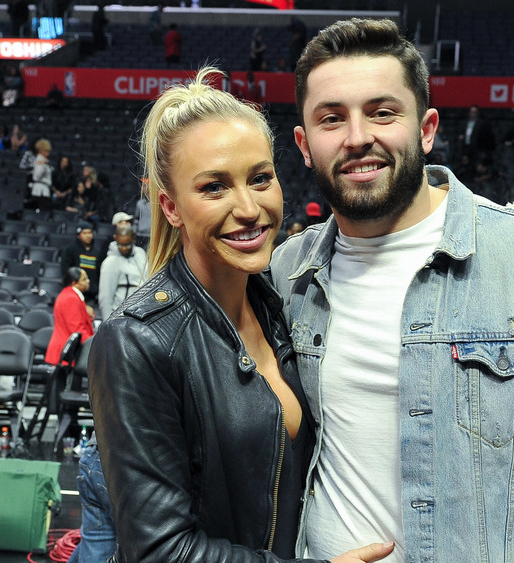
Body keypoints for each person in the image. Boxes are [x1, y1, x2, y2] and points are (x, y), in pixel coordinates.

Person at [272, 18, 514, 561]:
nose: (356, 137)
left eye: (382, 112)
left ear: (426, 128)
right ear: (304, 144)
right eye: (331, 119)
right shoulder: (287, 272)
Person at [90, 67, 388, 563]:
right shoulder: (135, 341)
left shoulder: (281, 304)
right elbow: (160, 550)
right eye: (214, 187)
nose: (248, 208)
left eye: (260, 178)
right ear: (171, 207)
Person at [45, 267, 95, 365]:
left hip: (68, 351)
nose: (88, 281)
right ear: (74, 282)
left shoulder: (70, 295)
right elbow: (76, 329)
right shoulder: (71, 299)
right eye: (84, 279)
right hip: (66, 353)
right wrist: (93, 344)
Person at [97, 225, 147, 317]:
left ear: (133, 239)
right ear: (115, 239)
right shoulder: (110, 262)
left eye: (127, 244)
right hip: (121, 316)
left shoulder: (140, 254)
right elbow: (105, 298)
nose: (124, 248)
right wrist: (108, 324)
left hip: (142, 313)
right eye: (120, 245)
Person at [60, 221, 98, 302]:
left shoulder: (97, 252)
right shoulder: (70, 250)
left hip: (92, 295)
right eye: (84, 233)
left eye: (90, 232)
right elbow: (66, 271)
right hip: (74, 293)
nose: (88, 235)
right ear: (78, 235)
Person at [29, 139, 53, 209]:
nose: (48, 153)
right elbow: (37, 175)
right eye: (46, 151)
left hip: (45, 188)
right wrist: (43, 165)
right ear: (41, 151)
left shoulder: (44, 160)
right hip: (40, 190)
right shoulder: (40, 160)